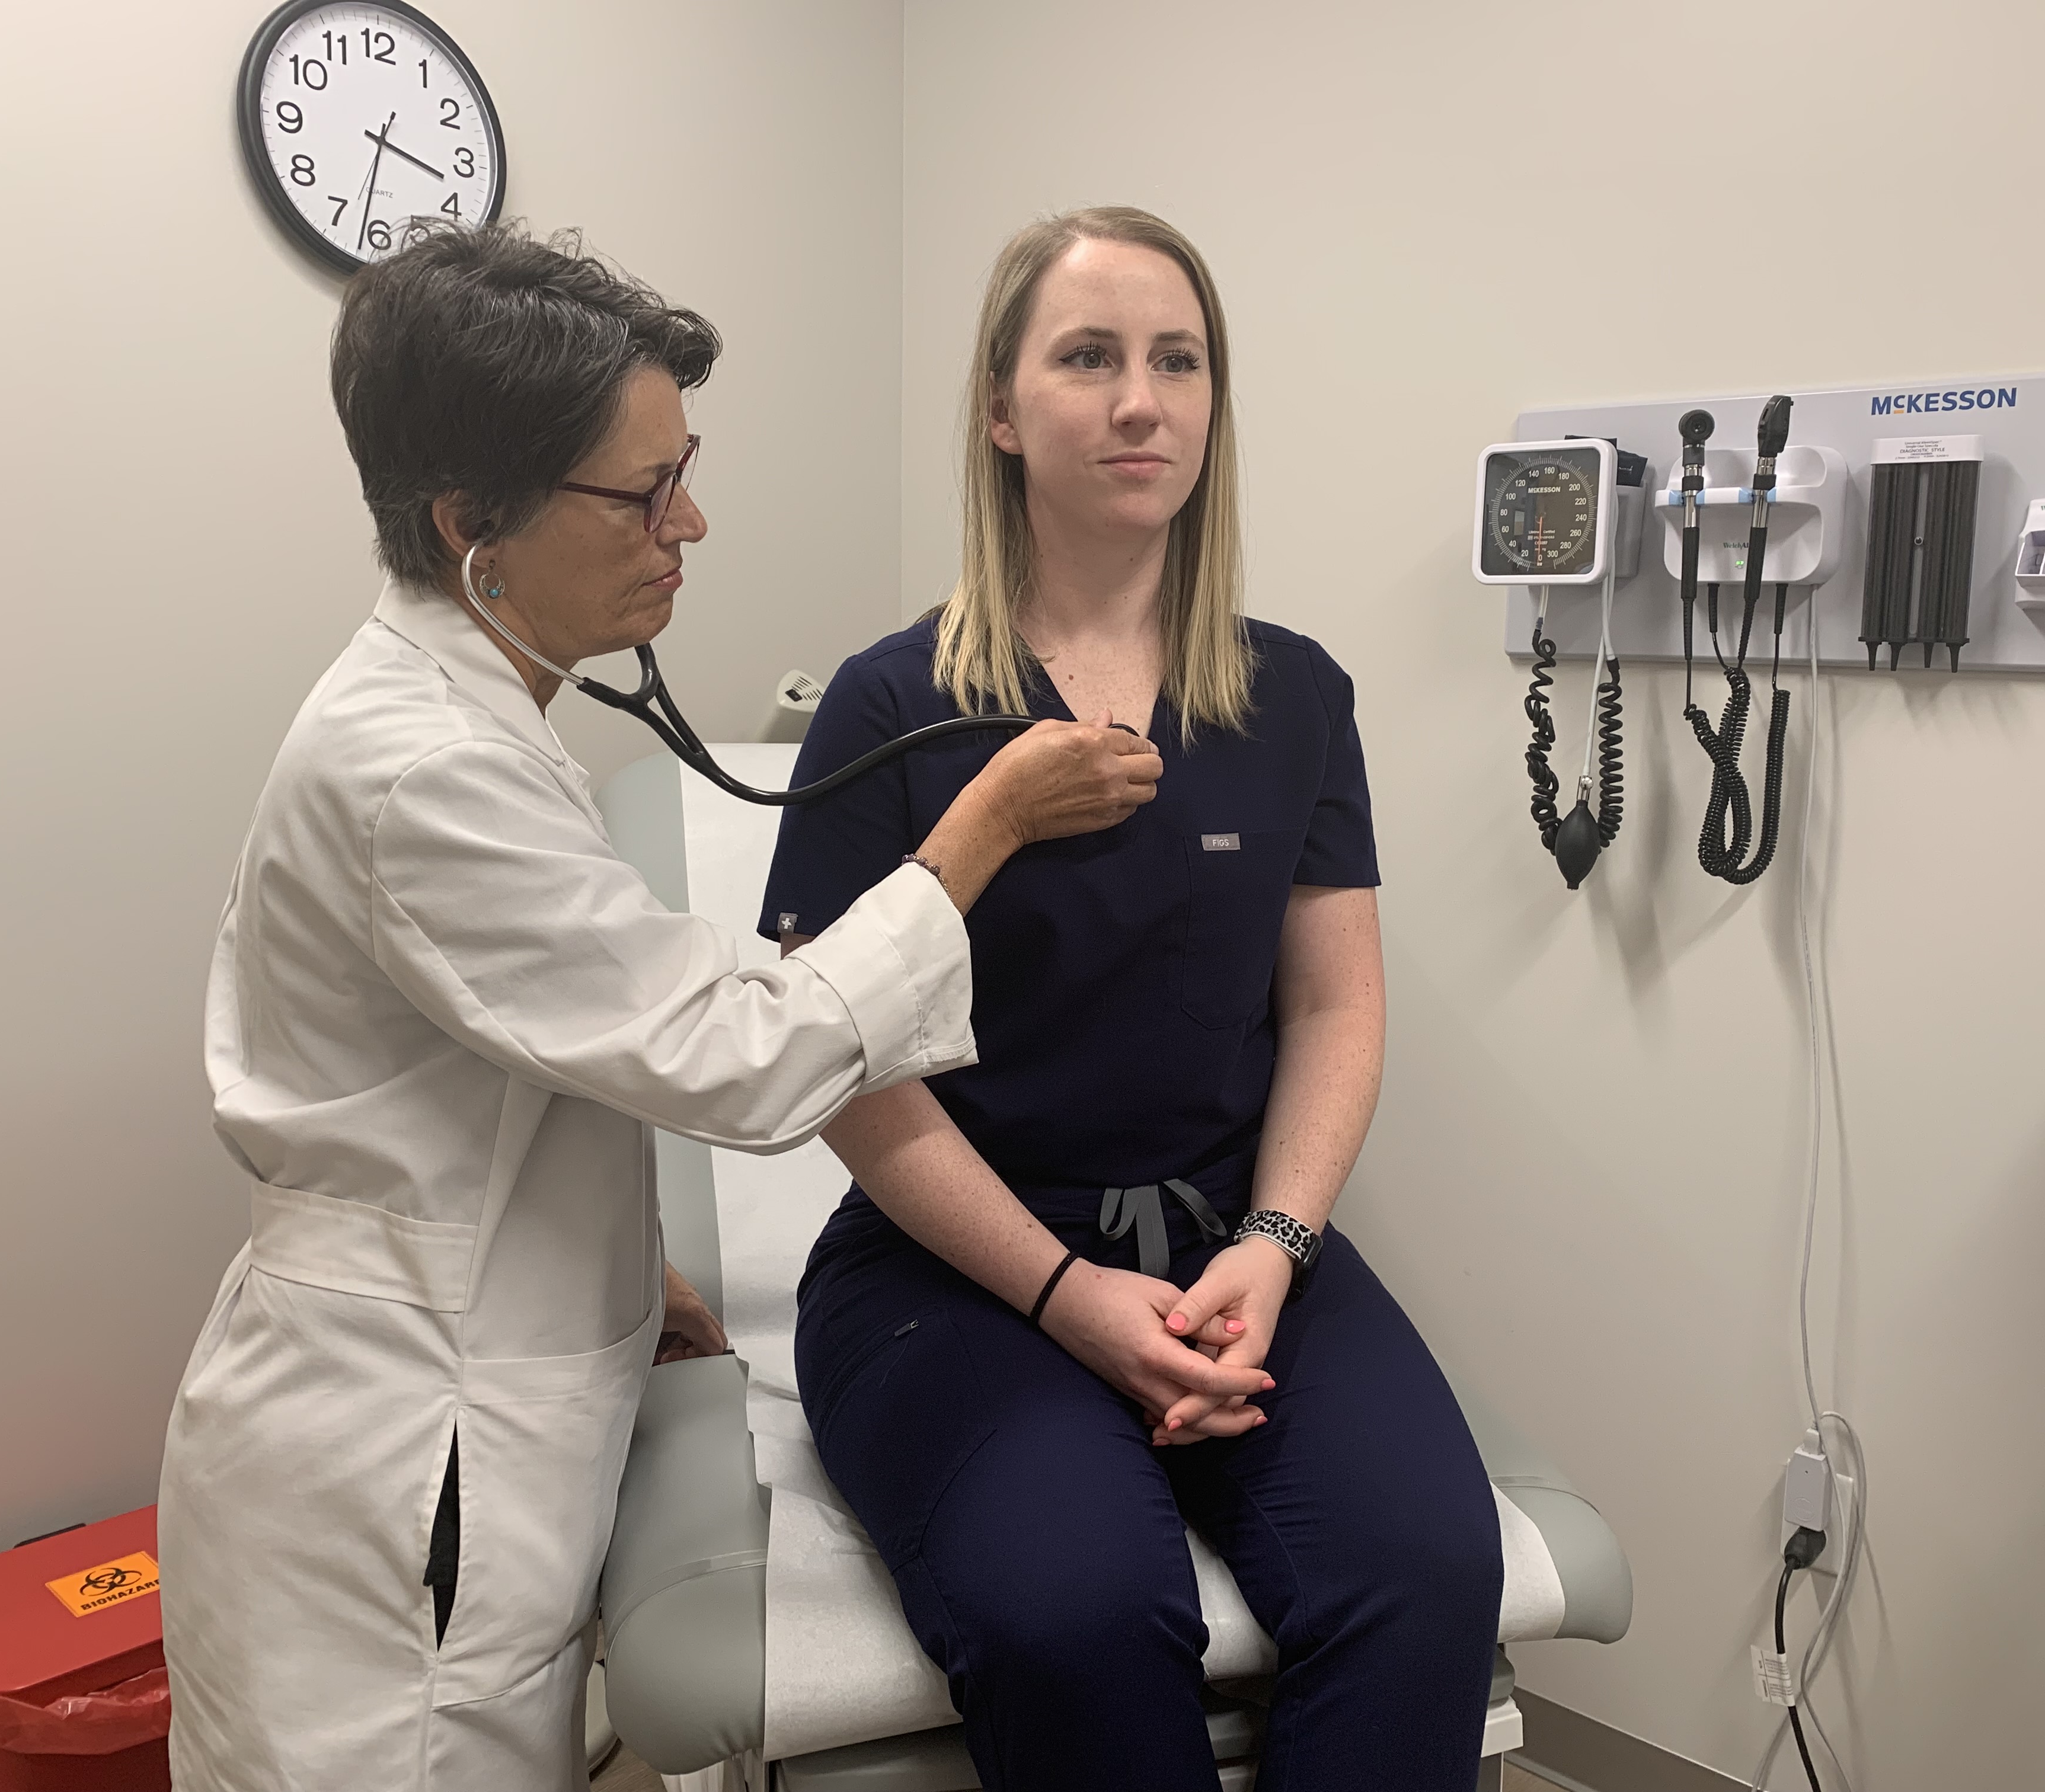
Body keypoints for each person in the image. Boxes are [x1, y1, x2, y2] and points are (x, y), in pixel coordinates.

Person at [154, 222, 1226, 1792]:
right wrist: (985, 824)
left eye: (685, 467)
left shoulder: (469, 723)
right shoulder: (426, 767)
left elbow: (508, 1064)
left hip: (459, 1386)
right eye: (643, 491)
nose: (690, 521)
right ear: (475, 529)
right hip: (400, 1471)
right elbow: (744, 1050)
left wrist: (629, 1267)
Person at [762, 207, 1504, 1791]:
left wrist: (1276, 1243)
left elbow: (1334, 1010)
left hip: (1240, 1250)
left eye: (1179, 360)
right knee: (1080, 1614)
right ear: (999, 406)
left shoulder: (1292, 693)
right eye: (1088, 357)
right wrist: (1061, 1298)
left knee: (1429, 1576)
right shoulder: (892, 707)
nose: (1141, 401)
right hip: (952, 1276)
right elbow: (839, 1068)